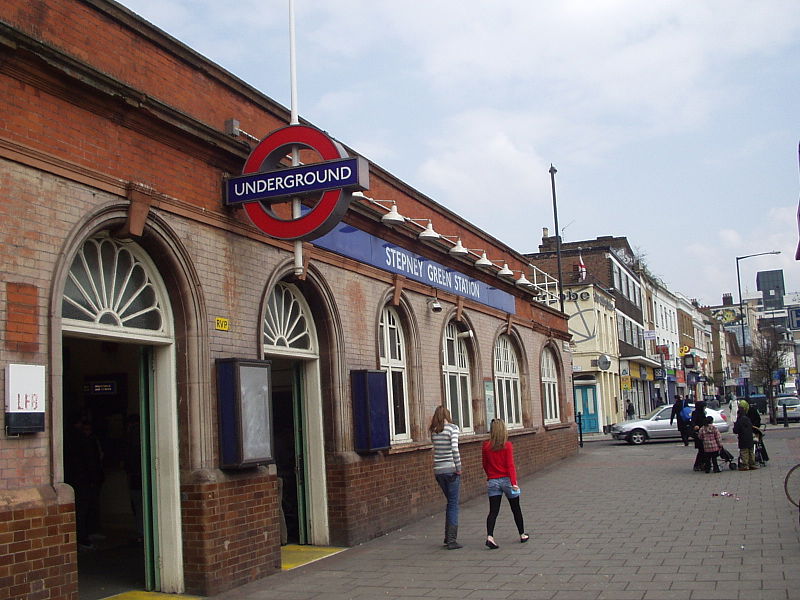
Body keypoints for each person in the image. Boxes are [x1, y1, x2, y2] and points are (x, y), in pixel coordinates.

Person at [481, 419, 529, 549]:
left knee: (493, 511)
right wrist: (514, 483)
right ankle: (522, 534)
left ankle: (490, 537)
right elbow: (510, 465)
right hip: (507, 481)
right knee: (515, 508)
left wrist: (490, 476)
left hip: (493, 481)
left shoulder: (486, 446)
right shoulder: (507, 445)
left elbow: (485, 464)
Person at [65, 412, 105, 550]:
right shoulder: (81, 439)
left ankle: (84, 534)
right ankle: (83, 536)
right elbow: (90, 461)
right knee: (83, 509)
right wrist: (94, 478)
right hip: (84, 479)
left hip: (74, 479)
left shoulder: (68, 438)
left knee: (83, 509)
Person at [429, 405, 462, 550]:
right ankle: (451, 540)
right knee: (453, 504)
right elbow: (455, 449)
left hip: (438, 471)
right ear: (447, 415)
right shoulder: (453, 429)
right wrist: (458, 468)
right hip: (451, 471)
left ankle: (447, 536)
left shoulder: (434, 432)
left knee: (450, 502)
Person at [733, 406, 759, 470]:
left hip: (743, 438)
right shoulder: (747, 419)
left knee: (744, 452)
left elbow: (736, 430)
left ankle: (745, 465)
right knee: (751, 451)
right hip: (749, 437)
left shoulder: (739, 420)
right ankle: (752, 464)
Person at [690, 400, 707, 471]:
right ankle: (697, 465)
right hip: (698, 434)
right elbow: (692, 422)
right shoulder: (695, 413)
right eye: (704, 406)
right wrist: (695, 426)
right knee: (701, 450)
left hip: (704, 433)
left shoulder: (703, 413)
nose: (705, 408)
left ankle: (702, 464)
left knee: (704, 450)